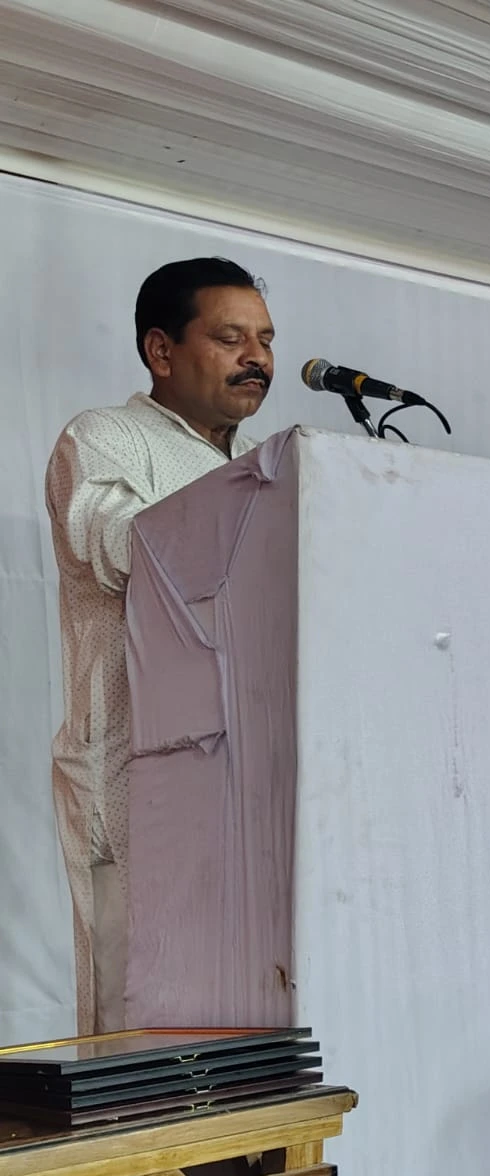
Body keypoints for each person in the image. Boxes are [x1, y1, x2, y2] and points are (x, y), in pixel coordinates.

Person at [46, 258, 275, 1034]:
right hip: (130, 770)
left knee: (239, 1001)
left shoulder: (268, 465)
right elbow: (115, 545)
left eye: (266, 340)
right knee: (138, 1010)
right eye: (231, 338)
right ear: (161, 350)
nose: (257, 357)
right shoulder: (104, 437)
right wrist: (262, 523)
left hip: (245, 770)